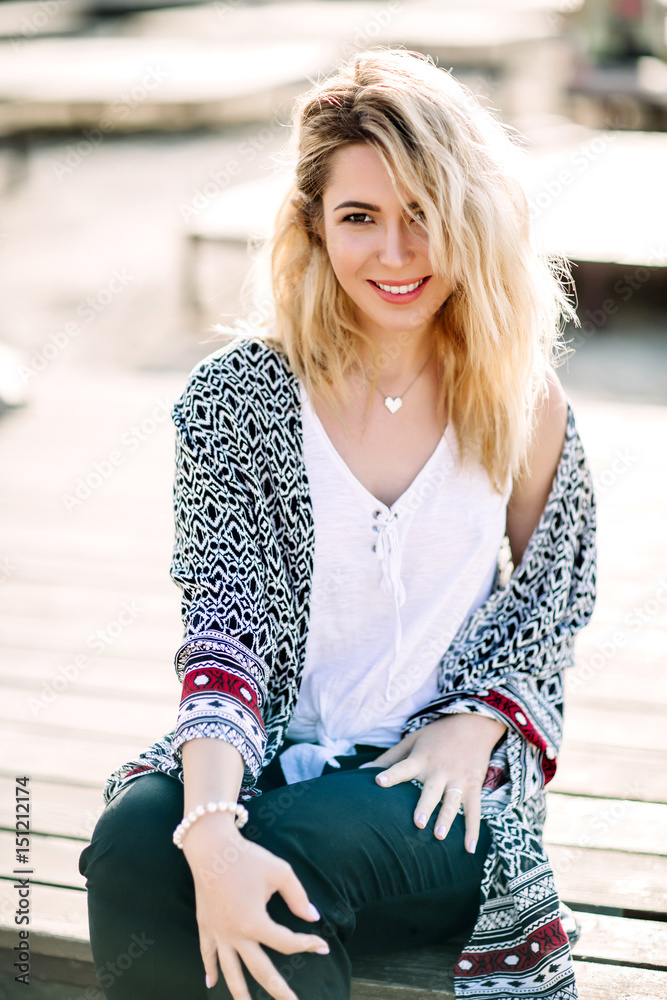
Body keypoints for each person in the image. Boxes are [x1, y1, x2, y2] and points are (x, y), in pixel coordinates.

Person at [79, 49, 596, 1000]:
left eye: (423, 214)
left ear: (469, 218)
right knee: (135, 842)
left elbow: (556, 599)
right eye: (359, 217)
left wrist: (478, 722)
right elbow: (223, 624)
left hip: (439, 800)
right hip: (270, 747)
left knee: (277, 858)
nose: (395, 254)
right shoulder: (242, 400)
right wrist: (208, 826)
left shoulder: (522, 399)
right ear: (312, 226)